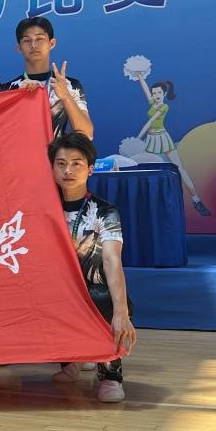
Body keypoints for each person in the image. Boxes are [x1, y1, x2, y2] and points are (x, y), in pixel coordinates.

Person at [47, 132, 136, 403]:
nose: (68, 170)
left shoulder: (105, 212)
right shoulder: (43, 208)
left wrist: (121, 311)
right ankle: (70, 361)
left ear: (90, 168)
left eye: (76, 163)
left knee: (103, 298)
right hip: (59, 291)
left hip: (94, 293)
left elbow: (111, 260)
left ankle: (110, 374)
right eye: (61, 163)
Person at [133, 74, 210, 216]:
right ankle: (147, 203)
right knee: (147, 168)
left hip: (162, 137)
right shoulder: (153, 103)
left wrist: (137, 138)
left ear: (164, 94)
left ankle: (196, 199)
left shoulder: (164, 107)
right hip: (151, 139)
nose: (156, 95)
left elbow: (150, 122)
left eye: (159, 93)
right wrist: (140, 76)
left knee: (179, 167)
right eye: (154, 93)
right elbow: (145, 90)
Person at [6, 16, 94, 139]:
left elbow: (87, 133)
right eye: (26, 40)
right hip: (22, 151)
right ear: (19, 48)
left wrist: (65, 96)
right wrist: (20, 98)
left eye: (39, 39)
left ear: (51, 43)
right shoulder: (8, 90)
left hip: (57, 151)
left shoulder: (69, 85)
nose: (33, 45)